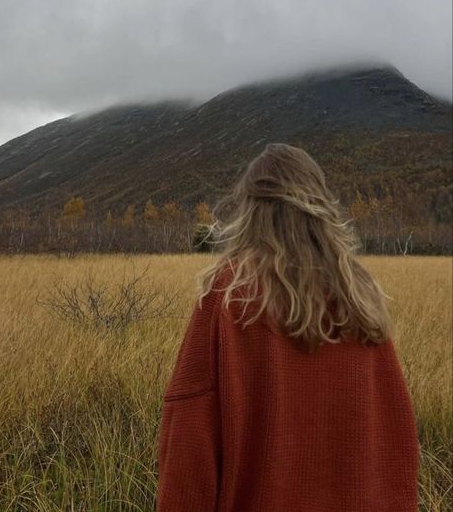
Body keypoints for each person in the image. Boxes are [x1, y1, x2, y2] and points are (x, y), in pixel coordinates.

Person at [156, 143, 419, 511]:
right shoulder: (360, 300)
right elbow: (397, 449)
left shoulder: (230, 296)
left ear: (250, 210)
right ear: (320, 208)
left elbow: (189, 447)